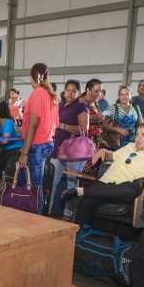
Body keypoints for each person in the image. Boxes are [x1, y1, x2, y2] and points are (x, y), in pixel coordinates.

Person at [62, 122, 144, 227]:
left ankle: (80, 191)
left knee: (131, 188)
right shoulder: (129, 146)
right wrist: (103, 150)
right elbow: (110, 156)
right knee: (88, 201)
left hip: (122, 190)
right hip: (104, 184)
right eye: (137, 134)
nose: (139, 138)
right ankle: (79, 235)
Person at [17, 63, 59, 214]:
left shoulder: (37, 94)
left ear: (31, 77)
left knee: (33, 185)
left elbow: (33, 126)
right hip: (47, 143)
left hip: (35, 146)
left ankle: (34, 218)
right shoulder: (51, 95)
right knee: (27, 183)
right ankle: (24, 214)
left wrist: (24, 153)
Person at [49, 79, 89, 220]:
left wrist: (63, 126)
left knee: (72, 183)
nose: (70, 93)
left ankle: (68, 214)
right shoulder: (59, 105)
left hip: (75, 152)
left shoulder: (81, 107)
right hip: (57, 148)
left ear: (78, 92)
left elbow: (84, 130)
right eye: (68, 90)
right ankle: (47, 210)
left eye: (74, 90)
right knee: (51, 181)